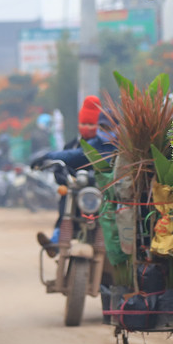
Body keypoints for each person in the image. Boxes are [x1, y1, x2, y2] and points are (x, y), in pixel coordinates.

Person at [33, 95, 113, 256]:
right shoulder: (72, 145)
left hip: (101, 194)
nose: (86, 127)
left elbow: (78, 156)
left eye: (91, 124)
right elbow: (61, 165)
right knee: (65, 200)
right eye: (83, 123)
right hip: (77, 192)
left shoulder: (106, 144)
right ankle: (55, 242)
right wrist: (68, 179)